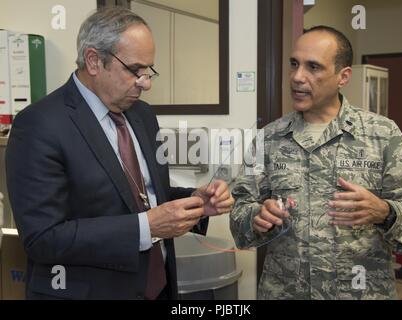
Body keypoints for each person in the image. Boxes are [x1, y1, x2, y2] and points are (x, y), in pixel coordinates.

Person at [6, 7, 233, 300]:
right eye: (135, 70)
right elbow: (43, 237)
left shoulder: (142, 115)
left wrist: (195, 202)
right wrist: (145, 227)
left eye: (149, 71)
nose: (146, 83)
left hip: (158, 287)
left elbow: (143, 195)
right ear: (93, 61)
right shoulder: (39, 125)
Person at [230, 25, 402, 300]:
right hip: (285, 293)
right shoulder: (269, 138)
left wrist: (384, 211)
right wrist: (256, 217)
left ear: (343, 76)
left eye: (313, 67)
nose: (297, 77)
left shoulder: (382, 134)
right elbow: (239, 214)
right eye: (294, 64)